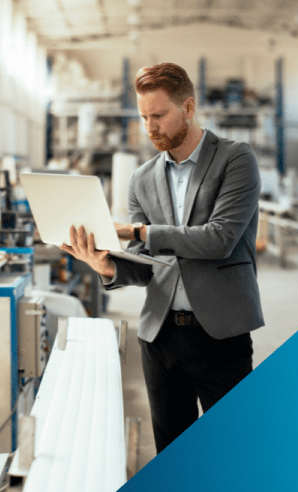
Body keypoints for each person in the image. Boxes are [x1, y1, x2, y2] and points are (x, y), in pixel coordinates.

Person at [60, 62, 264, 454]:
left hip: (221, 336)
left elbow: (219, 238)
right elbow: (144, 264)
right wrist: (107, 265)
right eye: (143, 117)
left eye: (159, 115)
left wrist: (139, 231)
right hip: (160, 338)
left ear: (188, 107)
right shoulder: (142, 179)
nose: (150, 127)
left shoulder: (236, 160)